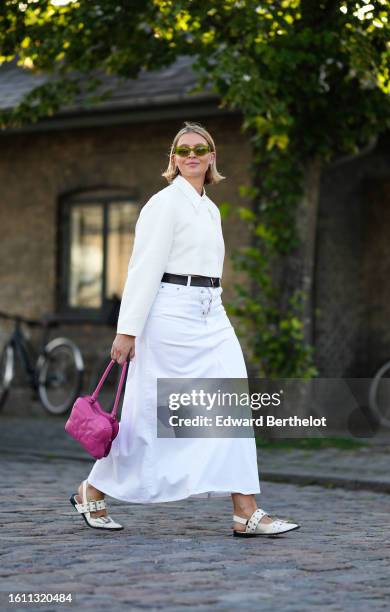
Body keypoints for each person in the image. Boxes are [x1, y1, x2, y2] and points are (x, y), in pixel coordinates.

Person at [70, 121, 300, 537]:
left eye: (200, 149)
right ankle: (93, 488)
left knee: (230, 405)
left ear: (212, 157)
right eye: (183, 150)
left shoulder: (209, 209)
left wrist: (214, 308)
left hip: (211, 311)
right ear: (173, 160)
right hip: (169, 315)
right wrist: (127, 330)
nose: (191, 155)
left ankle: (245, 512)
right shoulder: (163, 204)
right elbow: (143, 269)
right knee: (152, 414)